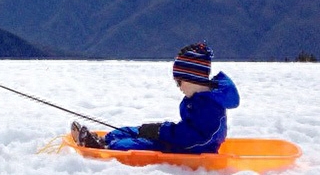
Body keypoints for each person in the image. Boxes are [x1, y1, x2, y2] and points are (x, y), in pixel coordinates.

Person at [71, 42, 240, 154]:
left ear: (192, 79)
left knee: (140, 144)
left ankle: (105, 147)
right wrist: (158, 129)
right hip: (180, 140)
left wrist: (161, 132)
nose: (178, 87)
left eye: (179, 82)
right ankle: (104, 139)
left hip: (191, 149)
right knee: (136, 130)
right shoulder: (197, 99)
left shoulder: (209, 107)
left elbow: (195, 138)